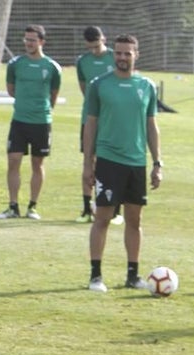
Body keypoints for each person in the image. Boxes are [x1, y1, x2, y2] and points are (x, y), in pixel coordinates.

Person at [83, 34, 163, 292]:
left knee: (134, 220)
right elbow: (90, 124)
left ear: (136, 55)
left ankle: (133, 275)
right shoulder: (99, 85)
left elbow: (151, 126)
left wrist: (157, 163)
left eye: (127, 53)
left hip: (136, 162)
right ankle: (96, 276)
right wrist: (88, 163)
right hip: (108, 160)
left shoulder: (147, 86)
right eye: (118, 53)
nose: (121, 57)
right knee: (103, 218)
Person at [0, 25, 62, 220]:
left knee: (37, 164)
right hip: (19, 121)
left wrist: (40, 108)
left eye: (32, 40)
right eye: (26, 40)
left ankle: (32, 207)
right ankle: (13, 206)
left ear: (42, 42)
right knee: (13, 160)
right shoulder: (15, 64)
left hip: (41, 122)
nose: (28, 43)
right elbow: (11, 89)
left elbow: (53, 94)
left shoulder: (52, 67)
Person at [74, 26, 123, 226]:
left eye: (96, 46)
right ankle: (87, 209)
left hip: (113, 120)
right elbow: (86, 90)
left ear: (103, 39)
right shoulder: (82, 61)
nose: (94, 51)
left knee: (115, 163)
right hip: (90, 119)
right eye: (90, 47)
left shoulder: (115, 57)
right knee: (88, 161)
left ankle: (115, 210)